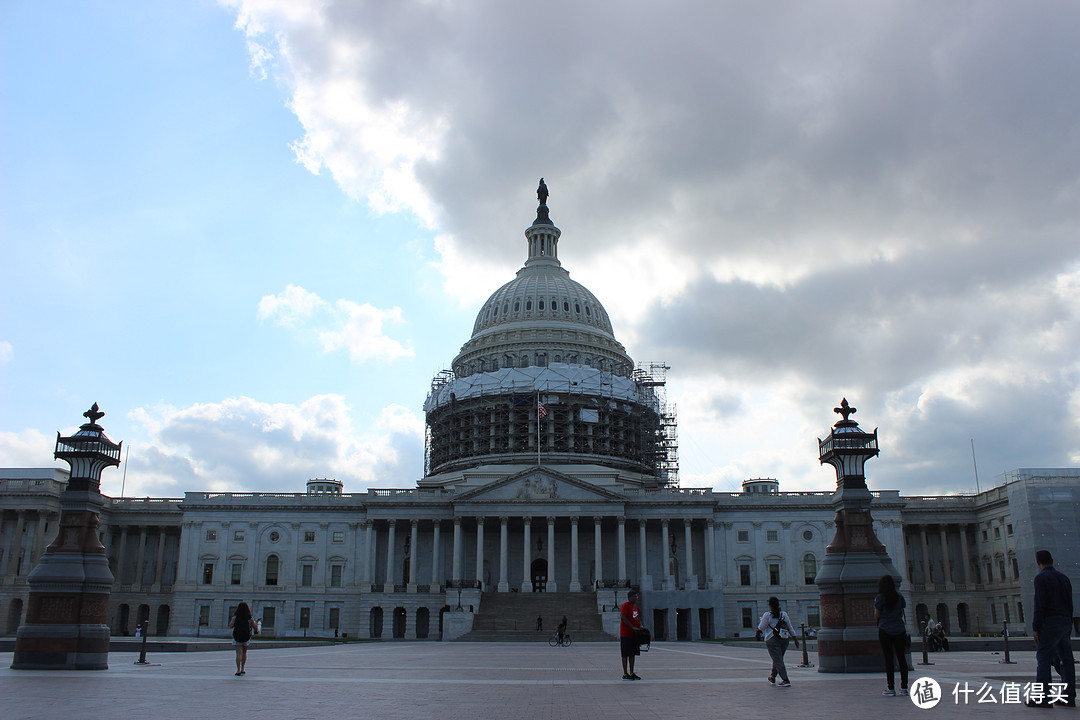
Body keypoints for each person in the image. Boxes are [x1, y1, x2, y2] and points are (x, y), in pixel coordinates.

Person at [1028, 550, 1075, 708]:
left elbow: (1040, 604)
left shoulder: (1041, 578)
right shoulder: (1064, 577)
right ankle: (1068, 696)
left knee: (1043, 658)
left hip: (1050, 621)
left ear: (1038, 563)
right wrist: (1069, 621)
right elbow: (1070, 602)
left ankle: (1043, 697)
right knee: (1067, 660)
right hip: (1065, 620)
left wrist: (1036, 627)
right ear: (1052, 560)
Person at [874, 574, 909, 696]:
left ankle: (891, 688)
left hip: (885, 630)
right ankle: (904, 688)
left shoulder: (880, 598)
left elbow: (877, 614)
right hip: (899, 630)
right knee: (901, 658)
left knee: (889, 659)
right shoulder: (899, 597)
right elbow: (901, 611)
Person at [757, 596, 798, 688]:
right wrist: (795, 639)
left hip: (772, 639)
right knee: (778, 659)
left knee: (778, 660)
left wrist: (758, 631)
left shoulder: (767, 615)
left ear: (770, 605)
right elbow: (790, 627)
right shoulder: (784, 614)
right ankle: (772, 677)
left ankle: (785, 679)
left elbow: (761, 627)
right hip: (784, 640)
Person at [620, 590, 644, 680]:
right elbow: (623, 617)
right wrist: (632, 626)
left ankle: (632, 672)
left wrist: (640, 625)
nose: (636, 598)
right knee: (625, 653)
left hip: (634, 634)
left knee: (632, 653)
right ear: (630, 597)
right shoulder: (625, 606)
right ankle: (625, 673)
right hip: (626, 634)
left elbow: (637, 618)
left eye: (636, 596)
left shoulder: (635, 607)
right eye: (634, 596)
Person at [228, 601, 257, 676]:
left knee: (238, 653)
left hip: (237, 636)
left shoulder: (235, 617)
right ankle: (243, 669)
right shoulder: (249, 617)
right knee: (244, 652)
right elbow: (255, 627)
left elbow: (230, 625)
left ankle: (238, 670)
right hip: (246, 636)